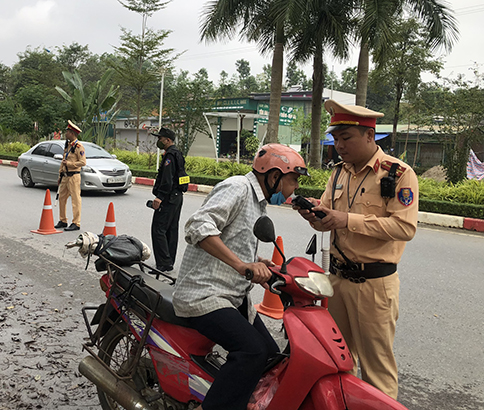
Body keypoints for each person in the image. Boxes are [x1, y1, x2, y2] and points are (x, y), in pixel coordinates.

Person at [295, 99, 419, 400]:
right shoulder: (337, 173)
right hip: (337, 281)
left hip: (374, 285)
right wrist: (317, 216)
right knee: (339, 362)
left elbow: (404, 228)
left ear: (369, 136)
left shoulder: (397, 174)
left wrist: (346, 219)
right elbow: (330, 222)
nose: (339, 145)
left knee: (377, 369)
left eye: (346, 138)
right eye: (336, 139)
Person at [172, 144, 309, 410]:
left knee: (271, 354)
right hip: (204, 294)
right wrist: (239, 265)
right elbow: (198, 226)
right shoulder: (238, 188)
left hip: (231, 295)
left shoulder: (258, 203)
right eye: (293, 181)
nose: (294, 190)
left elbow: (231, 239)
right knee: (252, 351)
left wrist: (257, 263)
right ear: (274, 176)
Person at [150, 127, 187, 272]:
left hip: (169, 198)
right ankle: (169, 261)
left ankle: (163, 263)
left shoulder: (170, 156)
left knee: (158, 229)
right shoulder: (177, 153)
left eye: (160, 138)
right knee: (171, 229)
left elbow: (167, 179)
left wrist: (160, 197)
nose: (158, 141)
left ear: (168, 140)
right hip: (177, 197)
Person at [55, 120, 86, 232]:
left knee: (75, 200)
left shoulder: (79, 147)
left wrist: (70, 164)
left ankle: (76, 223)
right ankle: (63, 220)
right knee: (62, 198)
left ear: (72, 133)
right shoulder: (67, 145)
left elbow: (83, 162)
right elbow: (64, 160)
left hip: (74, 176)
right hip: (65, 176)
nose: (66, 134)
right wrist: (60, 174)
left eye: (67, 132)